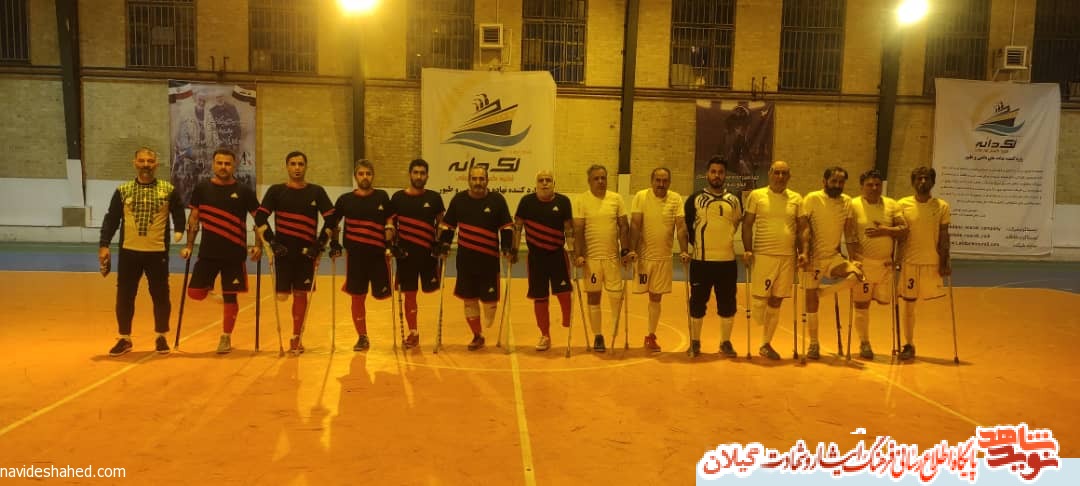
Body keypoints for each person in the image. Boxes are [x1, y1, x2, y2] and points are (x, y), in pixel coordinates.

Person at [99, 147, 187, 356]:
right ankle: (124, 338)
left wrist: (180, 229)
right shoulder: (123, 190)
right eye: (142, 161)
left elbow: (178, 211)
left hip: (157, 253)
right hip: (129, 252)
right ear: (135, 163)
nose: (146, 165)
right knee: (125, 296)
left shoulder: (168, 190)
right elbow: (111, 218)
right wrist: (104, 244)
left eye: (150, 161)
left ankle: (161, 336)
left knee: (160, 295)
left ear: (156, 164)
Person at [180, 148, 263, 354]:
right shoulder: (202, 188)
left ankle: (226, 337)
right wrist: (189, 245)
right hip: (208, 253)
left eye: (227, 163)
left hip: (234, 255)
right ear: (213, 164)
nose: (223, 167)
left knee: (230, 298)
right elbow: (194, 218)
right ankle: (210, 292)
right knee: (195, 292)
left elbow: (259, 220)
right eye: (219, 163)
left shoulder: (244, 191)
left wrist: (258, 246)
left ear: (234, 166)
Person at [253, 151, 336, 355]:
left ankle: (296, 337)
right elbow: (260, 218)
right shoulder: (276, 191)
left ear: (306, 167)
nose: (297, 167)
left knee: (300, 294)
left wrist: (319, 245)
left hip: (306, 254)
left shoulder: (317, 192)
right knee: (282, 296)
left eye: (300, 164)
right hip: (283, 253)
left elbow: (332, 220)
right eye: (293, 164)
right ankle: (294, 334)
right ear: (287, 166)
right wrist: (272, 243)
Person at [435, 166, 514, 350]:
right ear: (469, 180)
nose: (478, 182)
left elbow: (506, 227)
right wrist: (444, 244)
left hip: (489, 262)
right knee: (469, 300)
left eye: (481, 179)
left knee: (489, 305)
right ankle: (477, 335)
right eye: (474, 179)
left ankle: (486, 322)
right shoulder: (459, 200)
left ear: (487, 180)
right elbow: (448, 226)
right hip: (466, 262)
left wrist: (507, 247)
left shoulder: (497, 200)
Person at [328, 160, 396, 352]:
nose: (365, 177)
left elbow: (390, 220)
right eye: (361, 174)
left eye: (368, 173)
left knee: (384, 294)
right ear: (355, 176)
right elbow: (333, 222)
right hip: (355, 257)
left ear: (373, 176)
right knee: (357, 297)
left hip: (378, 256)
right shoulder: (345, 199)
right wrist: (334, 243)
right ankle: (362, 336)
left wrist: (390, 242)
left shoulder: (382, 196)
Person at [798, 166, 863, 360]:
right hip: (814, 258)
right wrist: (804, 254)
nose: (837, 185)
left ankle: (822, 293)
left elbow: (849, 233)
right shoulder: (812, 198)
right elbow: (804, 229)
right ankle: (813, 344)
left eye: (841, 182)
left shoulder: (847, 202)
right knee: (811, 303)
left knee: (857, 275)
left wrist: (853, 258)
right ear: (824, 181)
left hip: (833, 257)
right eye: (833, 181)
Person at [742, 161, 802, 360]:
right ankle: (759, 327)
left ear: (789, 176)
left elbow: (802, 228)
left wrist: (803, 252)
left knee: (777, 300)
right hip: (764, 254)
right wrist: (748, 249)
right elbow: (747, 224)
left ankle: (766, 344)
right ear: (769, 174)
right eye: (777, 173)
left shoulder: (796, 199)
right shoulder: (756, 195)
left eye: (784, 173)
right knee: (760, 300)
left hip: (787, 257)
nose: (780, 177)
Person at [684, 156, 743, 357]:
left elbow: (735, 223)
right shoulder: (695, 199)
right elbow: (687, 226)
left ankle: (725, 342)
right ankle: (695, 342)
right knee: (697, 303)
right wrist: (697, 246)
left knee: (728, 304)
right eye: (713, 172)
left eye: (721, 172)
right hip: (701, 262)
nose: (717, 175)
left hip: (727, 263)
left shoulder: (734, 200)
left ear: (725, 175)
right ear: (707, 174)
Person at [629, 167, 690, 352]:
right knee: (645, 294)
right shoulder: (641, 196)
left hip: (663, 258)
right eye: (658, 180)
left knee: (656, 297)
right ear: (652, 181)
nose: (661, 184)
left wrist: (684, 250)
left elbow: (681, 227)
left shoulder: (675, 199)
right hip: (644, 257)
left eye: (665, 181)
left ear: (669, 182)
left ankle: (650, 335)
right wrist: (631, 249)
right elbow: (635, 224)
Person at [513, 169, 574, 351]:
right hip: (536, 259)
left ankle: (567, 320)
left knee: (564, 292)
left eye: (548, 180)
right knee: (540, 297)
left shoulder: (563, 202)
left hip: (557, 256)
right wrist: (514, 249)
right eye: (541, 180)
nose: (545, 183)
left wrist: (573, 250)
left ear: (554, 183)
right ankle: (545, 335)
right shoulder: (526, 202)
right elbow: (518, 227)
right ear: (536, 184)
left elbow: (569, 229)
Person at [848, 169, 907, 360]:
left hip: (885, 266)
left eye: (877, 184)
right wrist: (852, 259)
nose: (874, 188)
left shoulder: (892, 205)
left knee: (883, 302)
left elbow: (904, 229)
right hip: (863, 263)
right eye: (870, 185)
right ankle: (864, 342)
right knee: (861, 304)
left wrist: (885, 230)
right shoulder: (853, 205)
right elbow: (849, 234)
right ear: (862, 186)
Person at [573, 164, 632, 353]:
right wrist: (578, 254)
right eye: (596, 178)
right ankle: (598, 336)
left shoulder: (616, 199)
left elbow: (624, 226)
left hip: (612, 258)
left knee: (616, 296)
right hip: (591, 260)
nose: (600, 181)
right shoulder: (581, 200)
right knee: (593, 297)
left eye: (603, 178)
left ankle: (614, 332)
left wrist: (625, 251)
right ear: (589, 181)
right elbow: (578, 230)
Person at [896, 166, 950, 361]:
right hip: (910, 262)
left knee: (928, 304)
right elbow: (898, 234)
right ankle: (909, 344)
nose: (923, 182)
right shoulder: (902, 204)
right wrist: (895, 259)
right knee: (908, 305)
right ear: (913, 182)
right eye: (919, 178)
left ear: (933, 182)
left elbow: (944, 236)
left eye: (926, 178)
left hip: (931, 263)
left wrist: (944, 262)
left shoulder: (942, 206)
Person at [390, 159, 446, 348]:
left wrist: (440, 243)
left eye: (422, 173)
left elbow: (441, 224)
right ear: (410, 174)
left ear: (427, 176)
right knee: (409, 295)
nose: (419, 176)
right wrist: (392, 245)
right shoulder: (398, 198)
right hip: (406, 257)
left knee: (434, 292)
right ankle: (413, 332)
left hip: (428, 256)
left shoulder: (434, 198)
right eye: (416, 172)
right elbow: (391, 225)